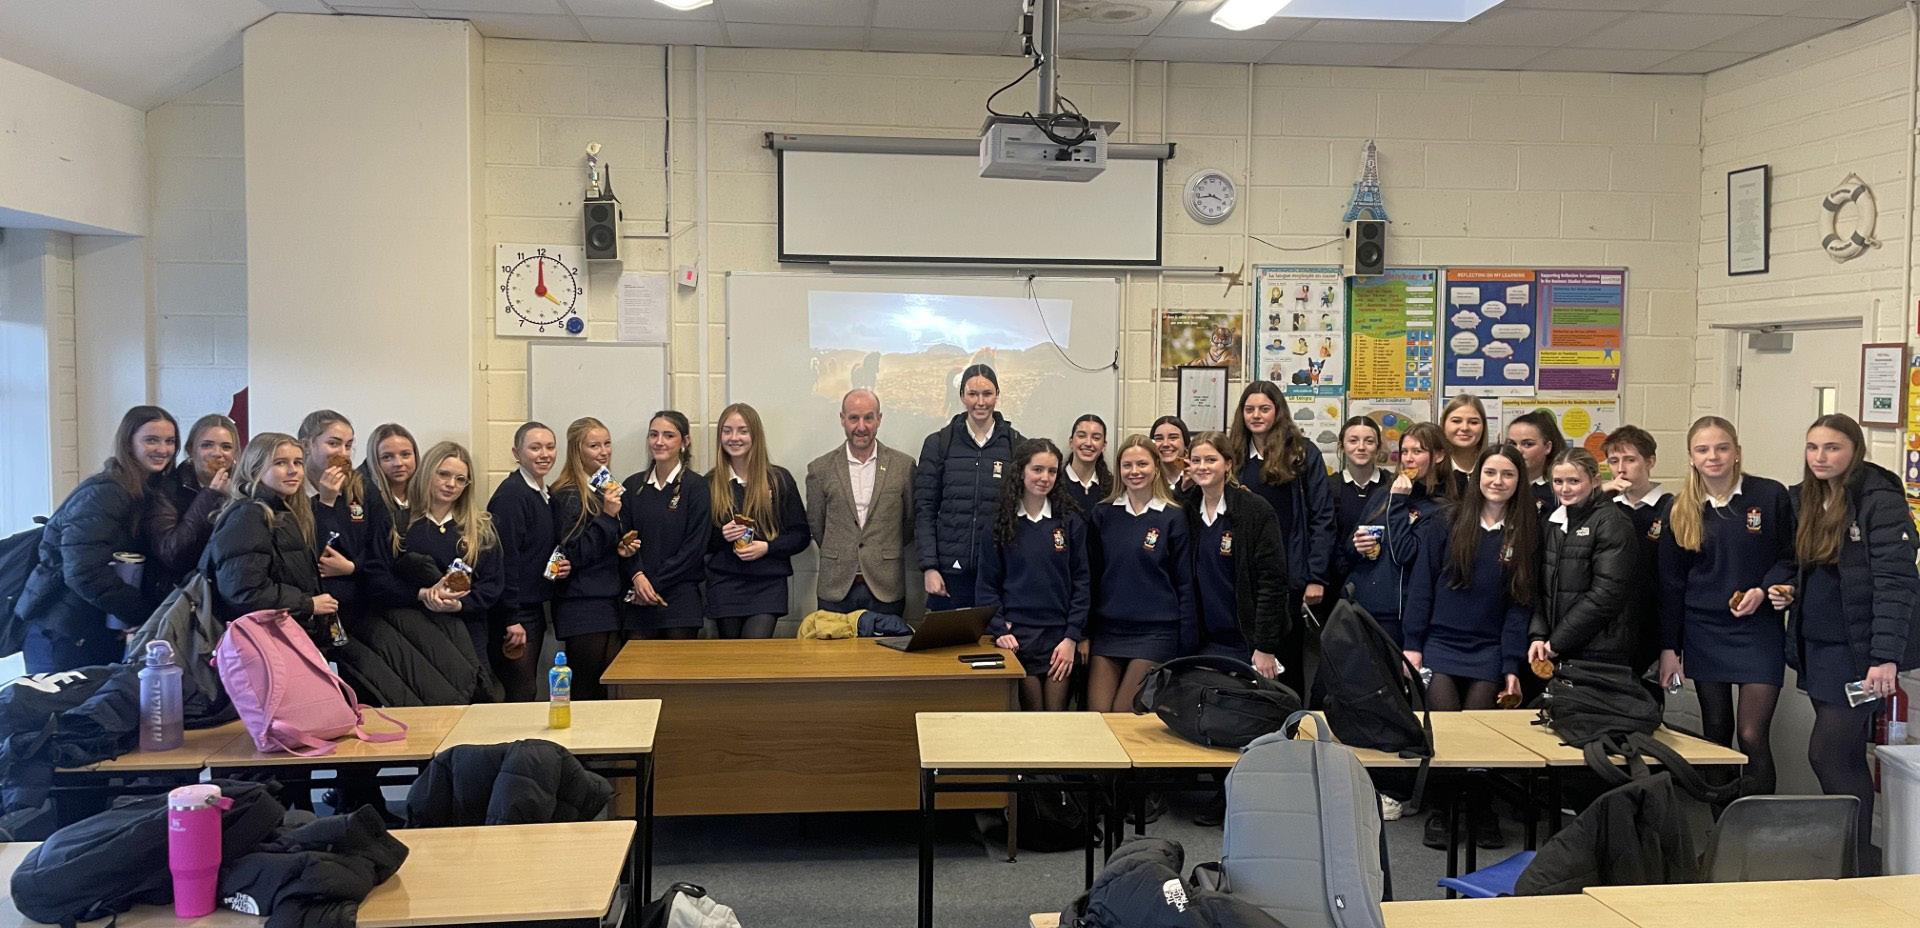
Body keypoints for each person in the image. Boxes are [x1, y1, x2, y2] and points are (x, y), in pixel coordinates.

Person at [1778, 414, 1919, 869]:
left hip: (1860, 654)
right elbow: (1803, 565)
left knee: (1827, 753)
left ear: (1855, 450)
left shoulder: (1879, 500)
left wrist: (1885, 658)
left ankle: (1856, 862)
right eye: (1812, 447)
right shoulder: (1806, 497)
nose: (1820, 457)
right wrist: (1786, 588)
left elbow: (1897, 583)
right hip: (1818, 648)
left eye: (1832, 447)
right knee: (1846, 756)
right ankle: (1852, 860)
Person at [1404, 444, 1536, 850]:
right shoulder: (1446, 522)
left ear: (1519, 481)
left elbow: (1519, 606)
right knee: (1445, 728)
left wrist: (1510, 664)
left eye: (1508, 474)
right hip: (1440, 643)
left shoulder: (1526, 532)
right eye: (1490, 473)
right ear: (1478, 477)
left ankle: (1480, 808)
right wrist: (1412, 645)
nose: (1498, 481)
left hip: (1488, 648)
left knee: (1480, 729)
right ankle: (1444, 810)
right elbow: (1422, 586)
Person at [1657, 416, 1793, 796]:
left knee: (1751, 734)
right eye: (1702, 450)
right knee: (1716, 732)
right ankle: (1723, 824)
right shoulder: (1679, 508)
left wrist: (1764, 591)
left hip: (1758, 628)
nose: (1713, 456)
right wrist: (1670, 648)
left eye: (1722, 448)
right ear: (1691, 457)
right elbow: (1671, 584)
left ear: (1737, 452)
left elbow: (1791, 556)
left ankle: (1758, 822)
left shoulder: (1769, 495)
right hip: (1704, 630)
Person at [19, 406, 179, 671]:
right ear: (128, 443)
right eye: (151, 440)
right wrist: (140, 613)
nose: (163, 449)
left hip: (91, 632)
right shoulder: (107, 493)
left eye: (170, 441)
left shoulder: (143, 491)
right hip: (65, 634)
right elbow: (83, 570)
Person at [1228, 381, 1333, 697]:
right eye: (1249, 409)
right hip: (1242, 576)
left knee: (1285, 666)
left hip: (1289, 576)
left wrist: (1316, 576)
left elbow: (1322, 517)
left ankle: (1291, 722)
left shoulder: (1302, 453)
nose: (1256, 415)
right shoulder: (1233, 454)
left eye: (1264, 408)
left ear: (1278, 412)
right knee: (1243, 667)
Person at [975, 438, 1090, 711]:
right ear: (1021, 471)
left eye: (1052, 471)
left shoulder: (1070, 521)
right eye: (1037, 469)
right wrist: (1000, 630)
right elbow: (987, 585)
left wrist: (1071, 637)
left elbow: (1082, 582)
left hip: (1059, 637)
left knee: (1056, 717)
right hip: (1018, 638)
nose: (1045, 478)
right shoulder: (1000, 523)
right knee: (1032, 717)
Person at [368, 441, 503, 665]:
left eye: (460, 479)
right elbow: (378, 579)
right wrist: (422, 594)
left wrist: (460, 604)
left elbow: (492, 584)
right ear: (427, 473)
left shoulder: (480, 528)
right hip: (412, 634)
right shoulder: (398, 524)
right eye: (443, 474)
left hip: (467, 634)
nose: (451, 484)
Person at [1087, 435, 1194, 712]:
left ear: (1156, 467)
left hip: (1155, 632)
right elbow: (1091, 577)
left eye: (1142, 464)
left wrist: (1187, 640)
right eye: (1127, 465)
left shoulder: (1173, 516)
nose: (1134, 471)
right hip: (1108, 630)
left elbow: (1184, 583)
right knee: (1097, 716)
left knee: (1122, 715)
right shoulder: (1103, 513)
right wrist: (1084, 633)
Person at [1180, 432, 1290, 671]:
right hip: (1202, 642)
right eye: (1196, 460)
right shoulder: (1186, 510)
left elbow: (1272, 582)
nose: (1202, 467)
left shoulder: (1255, 510)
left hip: (1247, 642)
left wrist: (1265, 646)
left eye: (1211, 460)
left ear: (1228, 464)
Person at [915, 363, 1022, 610]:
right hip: (947, 577)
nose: (980, 402)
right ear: (962, 395)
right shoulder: (939, 443)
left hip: (997, 576)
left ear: (997, 395)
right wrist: (929, 567)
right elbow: (925, 510)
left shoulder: (1016, 445)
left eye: (987, 394)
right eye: (973, 394)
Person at [203, 432, 332, 633]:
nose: (293, 470)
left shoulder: (284, 510)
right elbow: (244, 592)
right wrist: (307, 604)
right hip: (264, 635)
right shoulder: (248, 515)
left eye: (298, 463)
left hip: (289, 628)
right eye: (280, 463)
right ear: (255, 469)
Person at [1341, 422, 1449, 650]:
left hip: (1397, 615)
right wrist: (1358, 545)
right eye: (1404, 451)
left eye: (1417, 451)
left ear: (1438, 456)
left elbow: (1404, 554)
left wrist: (1398, 501)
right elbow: (1349, 548)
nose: (1408, 459)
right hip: (1360, 606)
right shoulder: (1383, 493)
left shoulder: (1441, 508)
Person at [806, 389, 915, 616]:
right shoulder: (820, 469)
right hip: (836, 587)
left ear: (879, 419)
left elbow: (909, 523)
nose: (861, 426)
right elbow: (817, 525)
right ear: (842, 419)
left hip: (886, 586)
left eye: (869, 418)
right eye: (854, 418)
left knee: (888, 641)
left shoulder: (903, 467)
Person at [707, 403, 810, 639]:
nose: (734, 438)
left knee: (755, 650)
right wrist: (722, 536)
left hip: (768, 583)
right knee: (731, 655)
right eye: (727, 431)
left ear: (755, 435)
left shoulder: (779, 479)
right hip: (724, 584)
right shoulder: (709, 483)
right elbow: (700, 542)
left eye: (742, 431)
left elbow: (801, 535)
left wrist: (767, 548)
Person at [1529, 448, 1636, 669]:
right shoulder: (1551, 522)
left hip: (1598, 651)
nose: (1564, 489)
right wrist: (1538, 635)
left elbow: (1606, 594)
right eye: (1558, 481)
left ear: (1595, 481)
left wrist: (1557, 641)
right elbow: (1537, 586)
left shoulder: (1612, 522)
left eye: (1574, 481)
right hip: (1552, 648)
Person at [486, 421, 568, 701]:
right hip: (515, 612)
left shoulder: (544, 494)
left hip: (534, 606)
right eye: (535, 448)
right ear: (517, 453)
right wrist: (511, 618)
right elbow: (504, 559)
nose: (544, 454)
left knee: (528, 687)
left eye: (550, 447)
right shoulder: (512, 495)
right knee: (521, 690)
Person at [548, 417, 627, 699]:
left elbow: (606, 542)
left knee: (608, 687)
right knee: (586, 687)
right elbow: (574, 552)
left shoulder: (605, 487)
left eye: (607, 444)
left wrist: (623, 545)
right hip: (581, 602)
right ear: (576, 450)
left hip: (608, 598)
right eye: (594, 446)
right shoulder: (568, 493)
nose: (603, 452)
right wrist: (607, 517)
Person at [620, 411, 712, 640]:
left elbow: (695, 547)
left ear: (685, 441)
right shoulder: (632, 486)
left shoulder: (697, 487)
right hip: (638, 599)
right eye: (654, 435)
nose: (659, 442)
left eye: (668, 435)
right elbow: (623, 541)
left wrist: (653, 583)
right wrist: (637, 577)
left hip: (680, 601)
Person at [1602, 425, 1673, 693]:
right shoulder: (1605, 507)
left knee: (1647, 700)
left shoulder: (1671, 507)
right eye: (1613, 461)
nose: (1621, 469)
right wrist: (1600, 494)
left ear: (1650, 461)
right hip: (1612, 623)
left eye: (1630, 460)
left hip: (1652, 620)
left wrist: (1670, 643)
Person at [143, 413, 236, 597]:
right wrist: (210, 496)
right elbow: (173, 553)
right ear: (190, 450)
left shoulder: (243, 488)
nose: (217, 453)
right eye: (207, 445)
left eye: (226, 447)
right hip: (181, 594)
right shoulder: (167, 489)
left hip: (228, 590)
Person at [298, 411, 371, 631]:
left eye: (348, 446)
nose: (343, 453)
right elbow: (310, 551)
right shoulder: (293, 491)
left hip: (360, 599)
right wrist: (326, 502)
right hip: (314, 604)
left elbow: (378, 544)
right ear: (307, 445)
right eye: (333, 444)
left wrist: (353, 567)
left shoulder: (362, 487)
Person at [1332, 416, 1386, 599]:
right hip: (1339, 582)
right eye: (1353, 441)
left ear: (1378, 447)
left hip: (1383, 583)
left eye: (1369, 441)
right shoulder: (1330, 487)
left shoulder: (1393, 486)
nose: (1361, 447)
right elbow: (1326, 536)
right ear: (1342, 446)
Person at [1506, 409, 1566, 517]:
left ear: (1547, 447)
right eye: (1512, 444)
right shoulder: (1499, 484)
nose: (1518, 450)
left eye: (1528, 444)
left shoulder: (1560, 490)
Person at [360, 423, 418, 527]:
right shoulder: (360, 495)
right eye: (387, 457)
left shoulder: (428, 491)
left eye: (405, 454)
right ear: (374, 461)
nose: (398, 463)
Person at [1440, 393, 1489, 499]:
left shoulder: (1494, 468)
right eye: (1456, 421)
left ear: (1483, 427)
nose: (1465, 428)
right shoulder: (1431, 470)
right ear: (1443, 425)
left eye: (1473, 422)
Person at [1061, 414, 1112, 515]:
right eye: (1081, 436)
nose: (1088, 443)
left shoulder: (1112, 488)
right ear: (1071, 442)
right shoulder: (1055, 484)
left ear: (1104, 446)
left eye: (1096, 438)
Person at [1150, 415, 1192, 495]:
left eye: (1173, 438)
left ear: (1185, 443)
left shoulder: (1198, 478)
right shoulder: (1148, 480)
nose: (1165, 444)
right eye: (1159, 438)